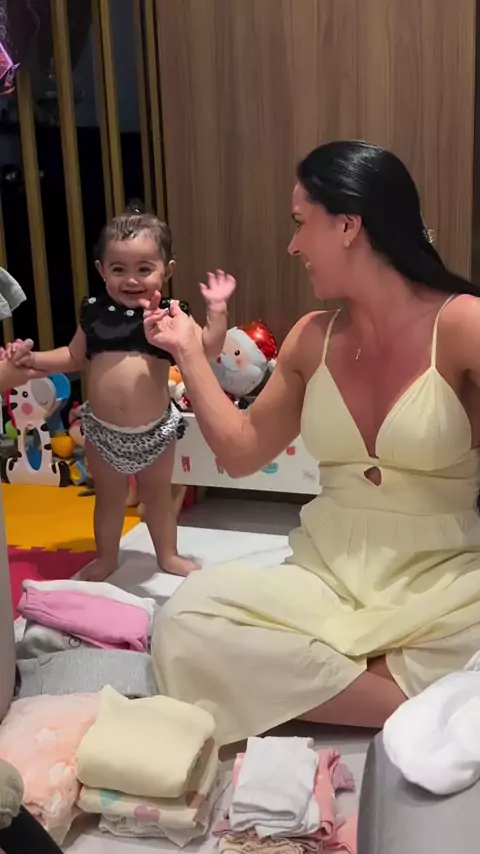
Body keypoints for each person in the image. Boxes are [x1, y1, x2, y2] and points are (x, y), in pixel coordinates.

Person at [143, 140, 480, 746]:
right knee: (184, 620)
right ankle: (413, 696)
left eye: (301, 223)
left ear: (349, 225)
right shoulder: (310, 337)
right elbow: (240, 452)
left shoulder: (462, 324)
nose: (293, 246)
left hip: (446, 583)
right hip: (326, 577)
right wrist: (188, 352)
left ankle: (329, 686)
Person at [10, 204, 235, 580]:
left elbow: (207, 349)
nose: (131, 280)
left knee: (158, 497)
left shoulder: (171, 315)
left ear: (167, 270)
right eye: (119, 269)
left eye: (144, 269)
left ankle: (168, 555)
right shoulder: (94, 312)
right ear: (102, 270)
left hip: (155, 432)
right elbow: (73, 356)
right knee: (109, 499)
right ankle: (107, 558)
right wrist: (32, 358)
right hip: (103, 431)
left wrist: (218, 312)